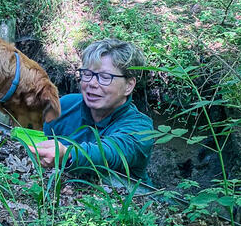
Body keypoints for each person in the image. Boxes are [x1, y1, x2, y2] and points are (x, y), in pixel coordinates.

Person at [34, 39, 155, 183]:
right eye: (87, 74)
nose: (92, 83)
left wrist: (68, 154)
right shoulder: (65, 105)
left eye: (105, 77)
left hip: (125, 196)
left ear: (129, 85)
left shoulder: (141, 128)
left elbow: (110, 153)